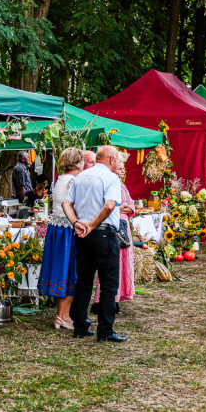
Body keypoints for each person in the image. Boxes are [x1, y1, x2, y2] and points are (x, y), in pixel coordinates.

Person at [63, 145, 126, 342]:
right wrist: (92, 224)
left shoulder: (81, 176)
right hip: (104, 233)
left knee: (83, 281)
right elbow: (109, 205)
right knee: (108, 283)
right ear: (112, 160)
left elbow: (66, 203)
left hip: (83, 235)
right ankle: (105, 331)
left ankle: (80, 327)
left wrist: (76, 223)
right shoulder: (111, 178)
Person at [40, 148, 84, 330]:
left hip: (56, 230)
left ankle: (61, 314)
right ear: (77, 162)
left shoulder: (60, 179)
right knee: (71, 272)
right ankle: (64, 315)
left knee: (61, 272)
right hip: (68, 230)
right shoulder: (74, 181)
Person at [92, 153, 136, 308]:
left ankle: (118, 297)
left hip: (123, 228)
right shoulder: (109, 184)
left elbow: (130, 206)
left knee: (122, 262)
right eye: (120, 168)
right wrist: (120, 207)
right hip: (111, 226)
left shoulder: (122, 186)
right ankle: (105, 301)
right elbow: (112, 206)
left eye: (124, 169)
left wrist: (121, 207)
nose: (123, 171)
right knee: (110, 265)